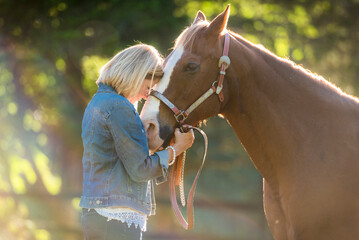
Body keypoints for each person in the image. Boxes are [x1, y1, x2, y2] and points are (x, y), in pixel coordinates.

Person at [79, 44, 194, 240]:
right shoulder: (119, 107)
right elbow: (141, 169)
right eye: (148, 87)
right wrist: (178, 148)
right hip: (115, 220)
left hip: (102, 214)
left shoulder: (99, 102)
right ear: (136, 74)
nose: (147, 94)